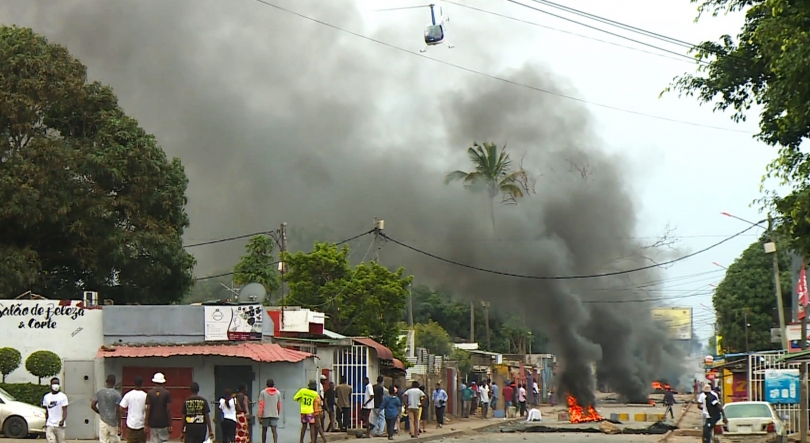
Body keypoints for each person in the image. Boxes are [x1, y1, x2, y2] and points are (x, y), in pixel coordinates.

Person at [92, 375, 122, 443]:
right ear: (114, 382)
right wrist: (119, 425)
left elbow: (93, 405)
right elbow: (118, 410)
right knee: (115, 441)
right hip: (113, 421)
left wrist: (100, 412)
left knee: (103, 440)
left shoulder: (99, 392)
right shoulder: (117, 394)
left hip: (103, 420)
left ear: (106, 381)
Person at [146, 373, 172, 443]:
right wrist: (170, 424)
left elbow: (148, 408)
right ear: (163, 382)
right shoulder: (167, 393)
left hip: (153, 422)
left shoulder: (150, 393)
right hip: (164, 422)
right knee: (164, 440)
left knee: (154, 440)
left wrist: (145, 423)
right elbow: (168, 409)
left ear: (154, 382)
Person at [120, 376, 147, 443]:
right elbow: (148, 409)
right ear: (142, 384)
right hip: (142, 425)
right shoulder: (145, 395)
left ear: (133, 383)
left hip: (131, 424)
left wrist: (127, 413)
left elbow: (121, 408)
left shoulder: (128, 395)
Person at [43, 377, 69, 443]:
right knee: (51, 441)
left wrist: (63, 420)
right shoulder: (46, 397)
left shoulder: (63, 396)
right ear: (51, 385)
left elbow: (65, 409)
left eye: (57, 383)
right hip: (50, 424)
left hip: (59, 425)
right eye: (54, 383)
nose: (56, 385)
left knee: (61, 441)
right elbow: (47, 410)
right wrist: (46, 422)